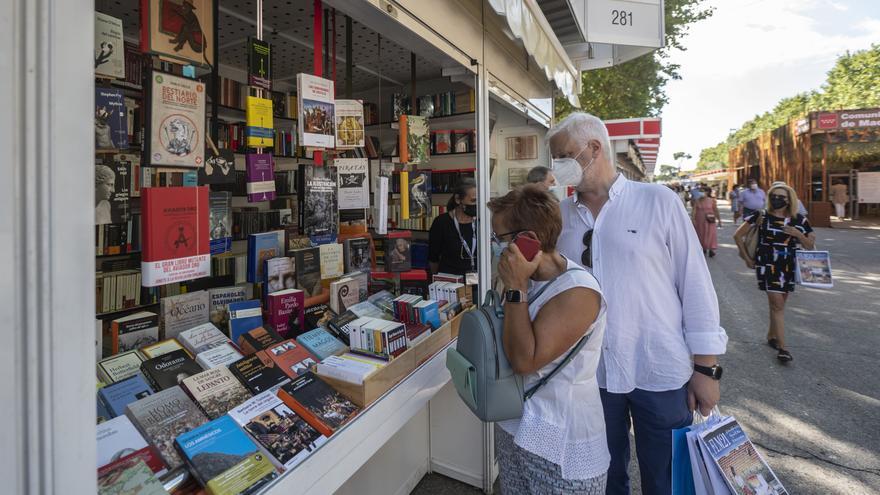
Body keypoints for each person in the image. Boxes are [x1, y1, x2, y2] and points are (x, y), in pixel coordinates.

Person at [549, 112, 728, 495]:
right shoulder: (559, 218)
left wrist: (706, 368)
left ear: (594, 148)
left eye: (563, 155)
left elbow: (694, 283)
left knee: (666, 481)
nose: (556, 167)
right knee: (603, 478)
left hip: (659, 371)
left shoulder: (658, 201)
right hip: (590, 377)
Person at [489, 184, 608, 494]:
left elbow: (524, 360)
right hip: (518, 428)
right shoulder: (529, 280)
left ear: (528, 242)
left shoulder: (578, 292)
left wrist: (515, 286)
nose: (496, 248)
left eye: (500, 239)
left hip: (561, 444)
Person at [733, 182, 815, 363]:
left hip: (788, 266)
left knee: (778, 305)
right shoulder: (761, 215)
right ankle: (783, 349)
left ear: (789, 200)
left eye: (781, 197)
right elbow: (738, 235)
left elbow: (810, 245)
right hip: (767, 266)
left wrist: (798, 234)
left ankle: (771, 335)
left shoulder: (799, 220)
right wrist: (747, 258)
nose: (776, 200)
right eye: (773, 196)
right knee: (777, 305)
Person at [428, 178, 478, 278]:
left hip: (478, 283)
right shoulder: (441, 222)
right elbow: (433, 257)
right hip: (449, 283)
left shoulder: (481, 223)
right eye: (473, 200)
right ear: (458, 199)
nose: (476, 204)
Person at [693, 186, 721, 257]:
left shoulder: (712, 200)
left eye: (702, 191)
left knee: (711, 233)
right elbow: (694, 211)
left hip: (710, 219)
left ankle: (711, 249)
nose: (701, 193)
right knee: (701, 233)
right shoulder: (697, 201)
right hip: (699, 220)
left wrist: (719, 220)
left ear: (707, 192)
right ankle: (703, 247)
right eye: (700, 191)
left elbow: (716, 210)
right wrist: (693, 220)